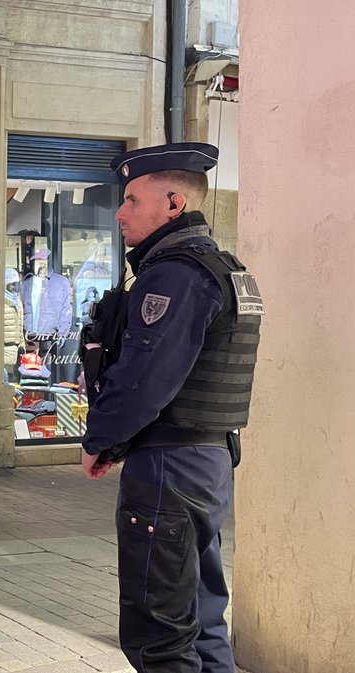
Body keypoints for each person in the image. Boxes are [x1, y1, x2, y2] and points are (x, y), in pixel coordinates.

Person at [80, 142, 262, 673]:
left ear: (174, 203)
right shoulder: (225, 268)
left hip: (168, 464)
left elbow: (145, 379)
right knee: (202, 616)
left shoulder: (175, 275)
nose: (120, 212)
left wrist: (101, 441)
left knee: (158, 628)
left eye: (133, 200)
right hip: (207, 463)